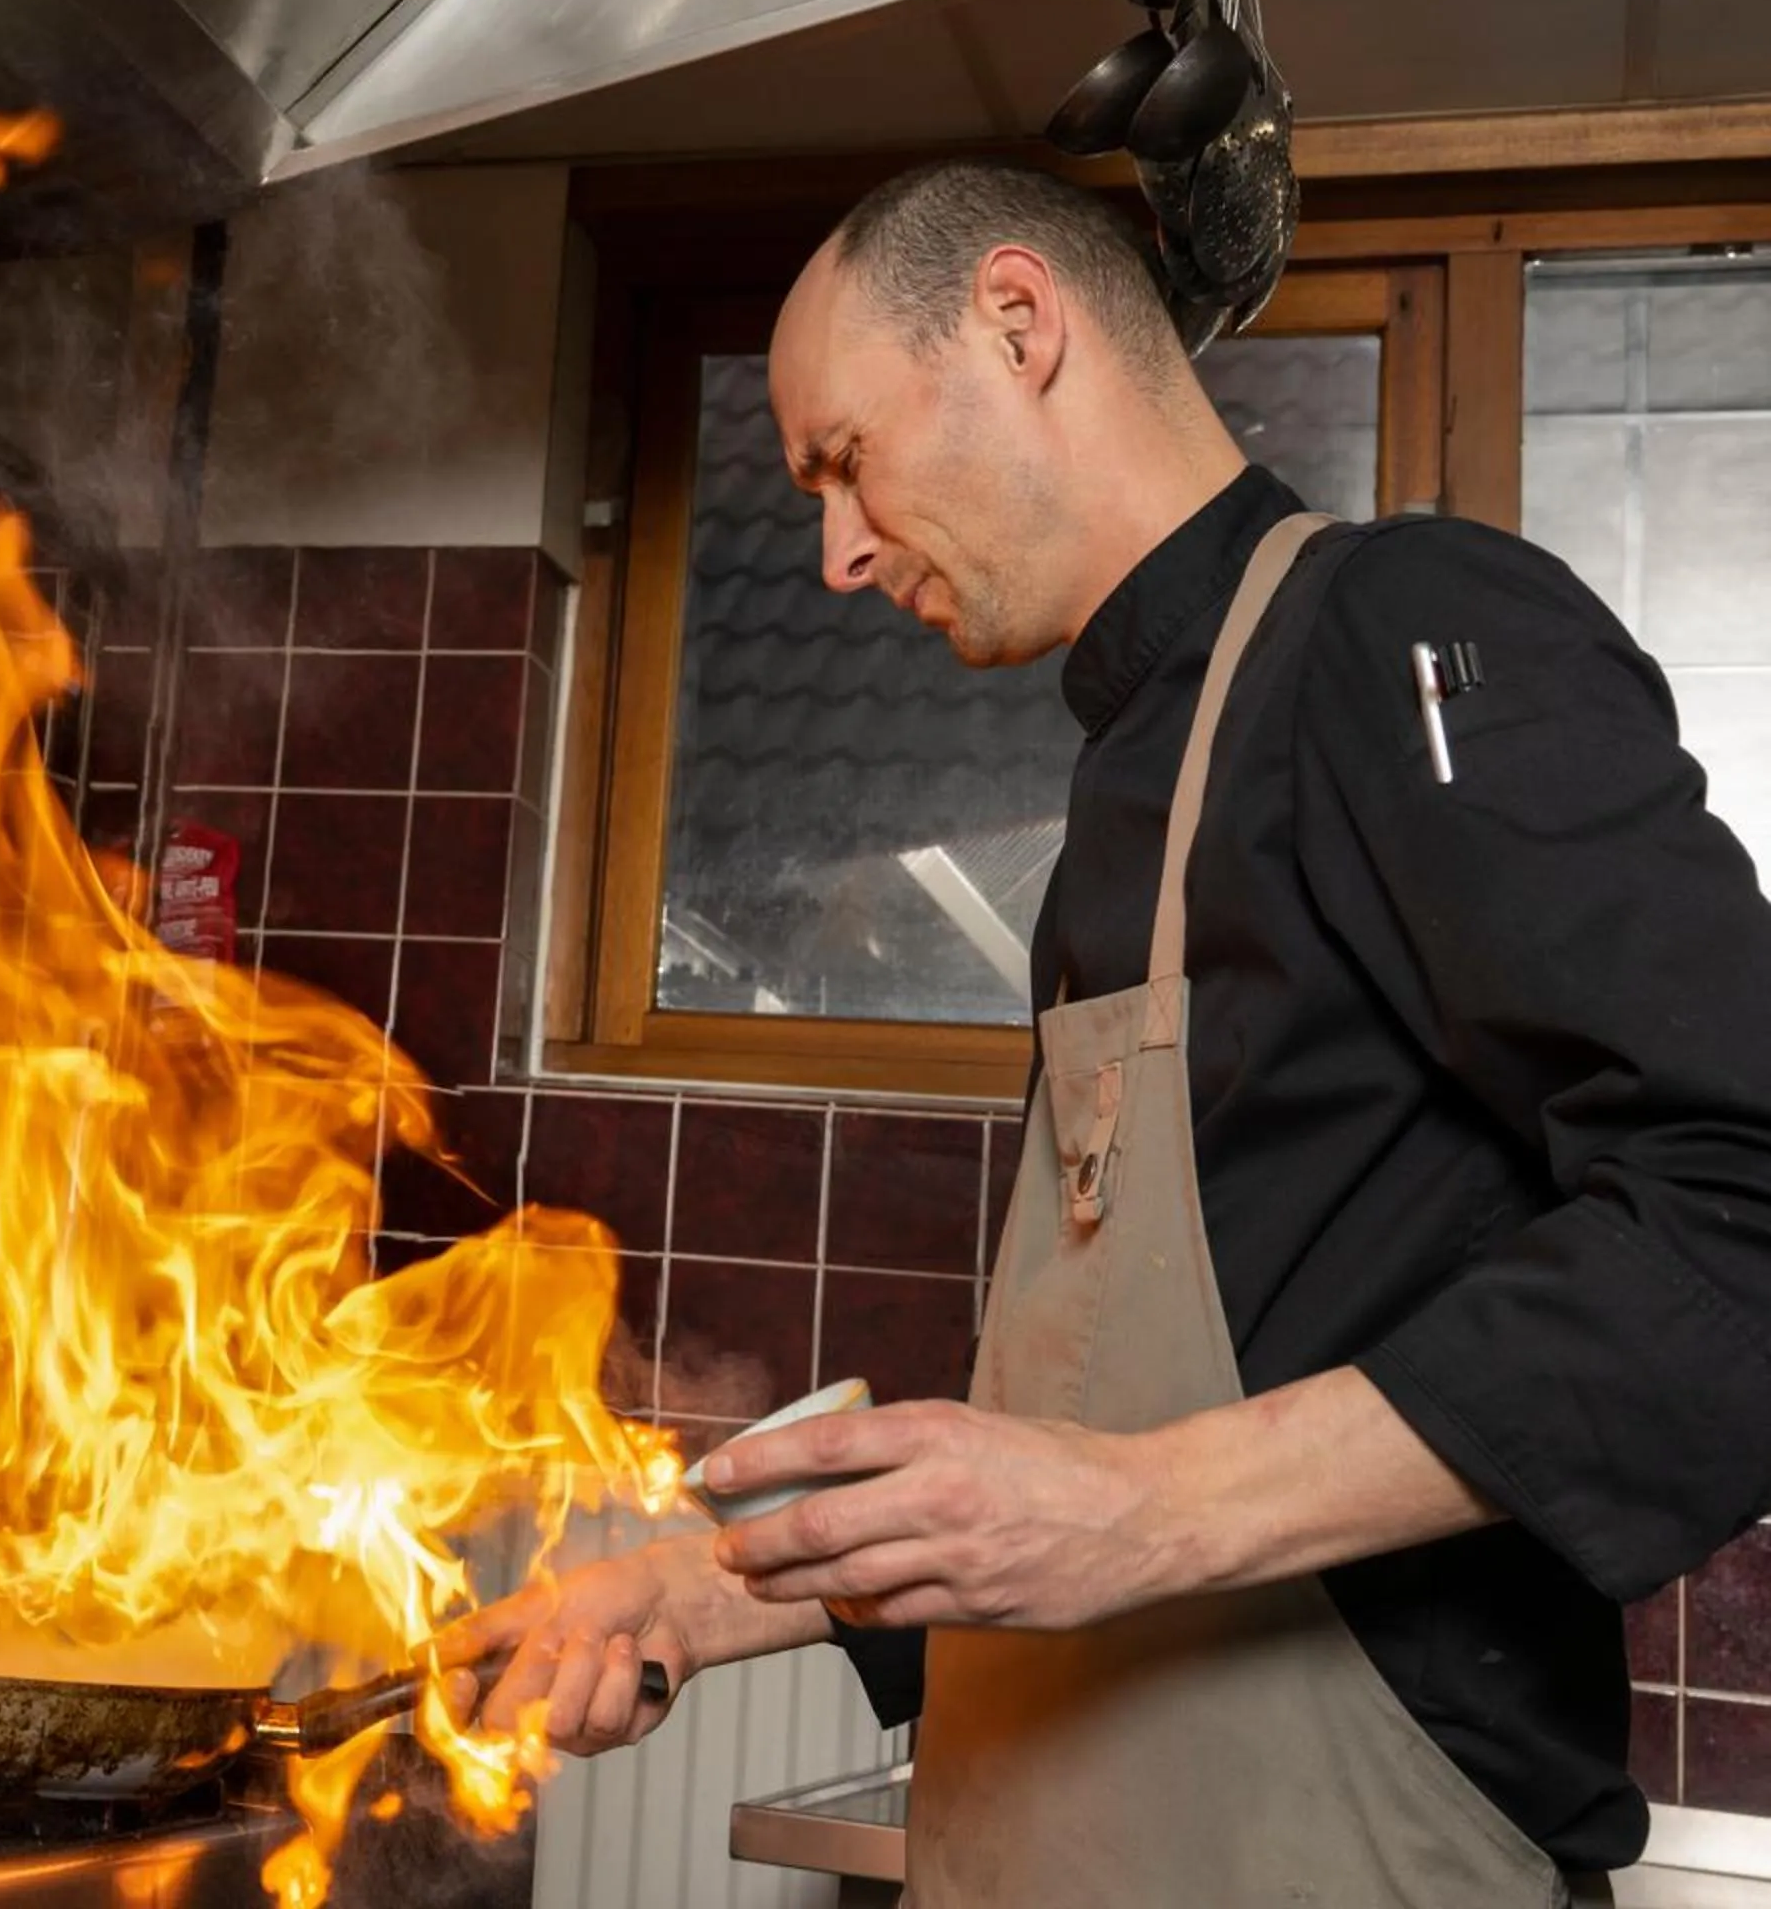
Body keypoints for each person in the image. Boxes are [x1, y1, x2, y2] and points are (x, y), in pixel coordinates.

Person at [440, 160, 1771, 1905]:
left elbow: (1741, 1218)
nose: (834, 554)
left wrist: (1137, 1507)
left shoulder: (1402, 630)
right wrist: (702, 1592)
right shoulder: (1127, 807)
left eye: (842, 460)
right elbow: (1125, 1419)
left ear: (1017, 320)